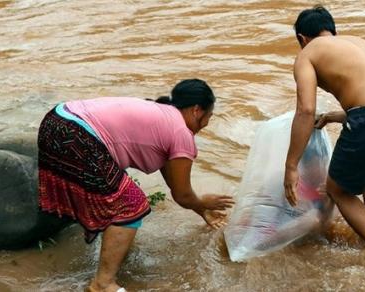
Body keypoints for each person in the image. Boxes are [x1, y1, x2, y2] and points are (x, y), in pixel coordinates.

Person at [37, 79, 235, 292]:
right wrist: (202, 202)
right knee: (131, 204)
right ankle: (103, 284)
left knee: (116, 191)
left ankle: (113, 256)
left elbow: (176, 187)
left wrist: (200, 209)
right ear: (197, 110)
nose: (206, 124)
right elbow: (184, 195)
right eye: (209, 116)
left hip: (55, 121)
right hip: (77, 134)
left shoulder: (162, 114)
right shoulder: (180, 132)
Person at [283, 6, 365, 275]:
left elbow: (306, 110)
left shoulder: (308, 54)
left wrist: (290, 166)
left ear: (302, 39)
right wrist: (338, 116)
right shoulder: (359, 43)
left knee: (338, 190)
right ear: (332, 31)